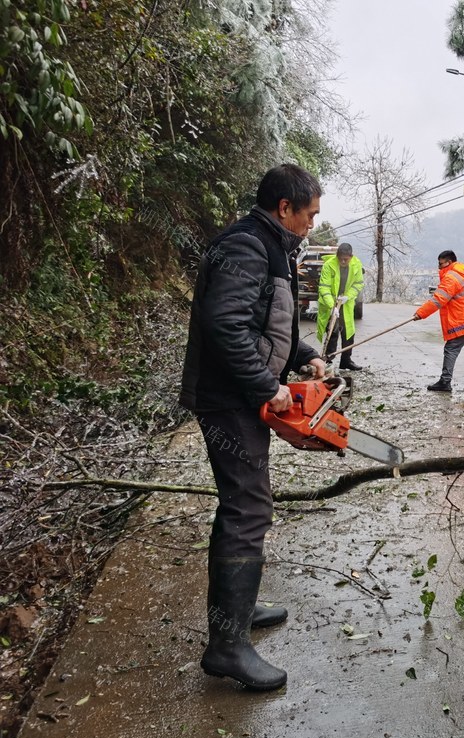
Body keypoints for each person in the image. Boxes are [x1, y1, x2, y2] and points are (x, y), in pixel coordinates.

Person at [179, 164, 327, 691]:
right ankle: (226, 647)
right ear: (284, 208)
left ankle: (236, 614)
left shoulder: (271, 246)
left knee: (246, 504)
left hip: (239, 395)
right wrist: (268, 386)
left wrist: (302, 354)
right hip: (229, 400)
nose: (313, 222)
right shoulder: (247, 247)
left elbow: (266, 319)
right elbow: (226, 325)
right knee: (247, 508)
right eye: (309, 213)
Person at [414, 250, 464, 392]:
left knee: (451, 349)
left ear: (449, 262)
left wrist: (420, 314)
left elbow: (438, 300)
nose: (439, 267)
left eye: (441, 264)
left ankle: (445, 381)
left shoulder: (451, 277)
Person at [317, 242, 365, 370]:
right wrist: (332, 306)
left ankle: (346, 360)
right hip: (330, 303)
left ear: (351, 256)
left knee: (348, 332)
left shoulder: (356, 265)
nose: (343, 261)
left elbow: (358, 284)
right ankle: (328, 360)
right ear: (337, 255)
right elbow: (324, 287)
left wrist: (348, 296)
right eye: (341, 258)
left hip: (346, 303)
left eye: (346, 259)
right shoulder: (329, 265)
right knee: (332, 330)